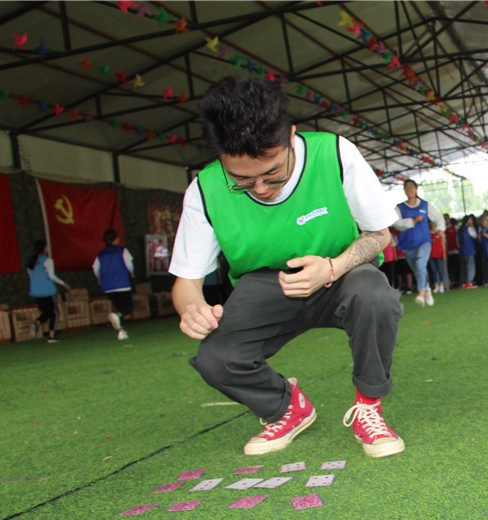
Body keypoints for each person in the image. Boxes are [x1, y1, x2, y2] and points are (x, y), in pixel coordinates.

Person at [169, 76, 405, 459]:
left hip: (341, 272)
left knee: (375, 295)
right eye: (242, 181)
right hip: (264, 286)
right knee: (216, 358)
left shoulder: (334, 153)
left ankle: (369, 407)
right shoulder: (203, 190)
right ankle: (285, 407)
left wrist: (332, 268)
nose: (261, 189)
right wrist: (191, 307)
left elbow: (379, 235)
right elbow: (186, 281)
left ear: (291, 136)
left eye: (273, 174)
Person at [394, 179, 443, 307]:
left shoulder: (425, 205)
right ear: (404, 191)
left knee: (420, 263)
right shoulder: (399, 208)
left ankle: (421, 294)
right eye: (407, 187)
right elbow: (396, 224)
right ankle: (427, 289)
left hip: (424, 242)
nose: (409, 189)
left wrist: (440, 228)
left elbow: (438, 217)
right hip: (408, 245)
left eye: (411, 187)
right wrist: (413, 221)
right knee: (418, 270)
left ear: (416, 189)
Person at [93, 229, 135, 341]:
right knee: (128, 307)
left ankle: (122, 332)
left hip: (108, 286)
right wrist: (131, 272)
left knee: (119, 308)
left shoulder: (101, 254)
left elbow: (95, 268)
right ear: (116, 239)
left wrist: (99, 278)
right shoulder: (122, 250)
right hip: (121, 283)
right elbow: (129, 264)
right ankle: (118, 316)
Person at [27, 240, 70, 343]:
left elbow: (30, 275)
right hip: (47, 291)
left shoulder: (31, 262)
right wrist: (64, 283)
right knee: (55, 313)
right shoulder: (47, 260)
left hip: (36, 291)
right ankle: (51, 336)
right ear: (44, 248)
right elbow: (51, 276)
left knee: (47, 312)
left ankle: (36, 323)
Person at [458, 214, 478, 288]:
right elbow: (475, 236)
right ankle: (469, 282)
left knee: (463, 267)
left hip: (462, 250)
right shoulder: (469, 228)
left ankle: (463, 282)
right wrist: (473, 227)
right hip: (469, 249)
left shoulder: (460, 229)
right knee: (470, 266)